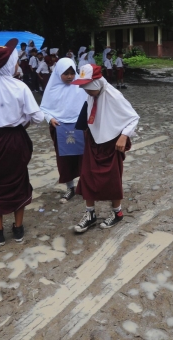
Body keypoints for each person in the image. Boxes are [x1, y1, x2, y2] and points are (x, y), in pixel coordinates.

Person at [0, 38, 45, 246]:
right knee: (18, 179)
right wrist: (23, 123)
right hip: (15, 138)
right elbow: (38, 117)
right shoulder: (19, 87)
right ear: (9, 65)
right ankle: (18, 229)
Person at [71, 64, 140, 232]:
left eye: (88, 88)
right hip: (94, 140)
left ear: (96, 83)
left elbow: (133, 118)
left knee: (112, 179)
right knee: (87, 175)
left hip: (111, 143)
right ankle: (90, 214)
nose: (86, 92)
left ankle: (117, 212)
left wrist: (124, 136)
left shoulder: (114, 96)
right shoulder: (91, 95)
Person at [40, 58, 88, 203]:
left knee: (83, 157)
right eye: (65, 73)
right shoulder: (52, 88)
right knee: (65, 159)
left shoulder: (80, 86)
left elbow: (89, 103)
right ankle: (70, 187)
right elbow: (43, 108)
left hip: (80, 126)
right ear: (58, 73)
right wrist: (50, 119)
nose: (69, 76)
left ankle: (84, 185)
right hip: (60, 127)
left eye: (72, 73)